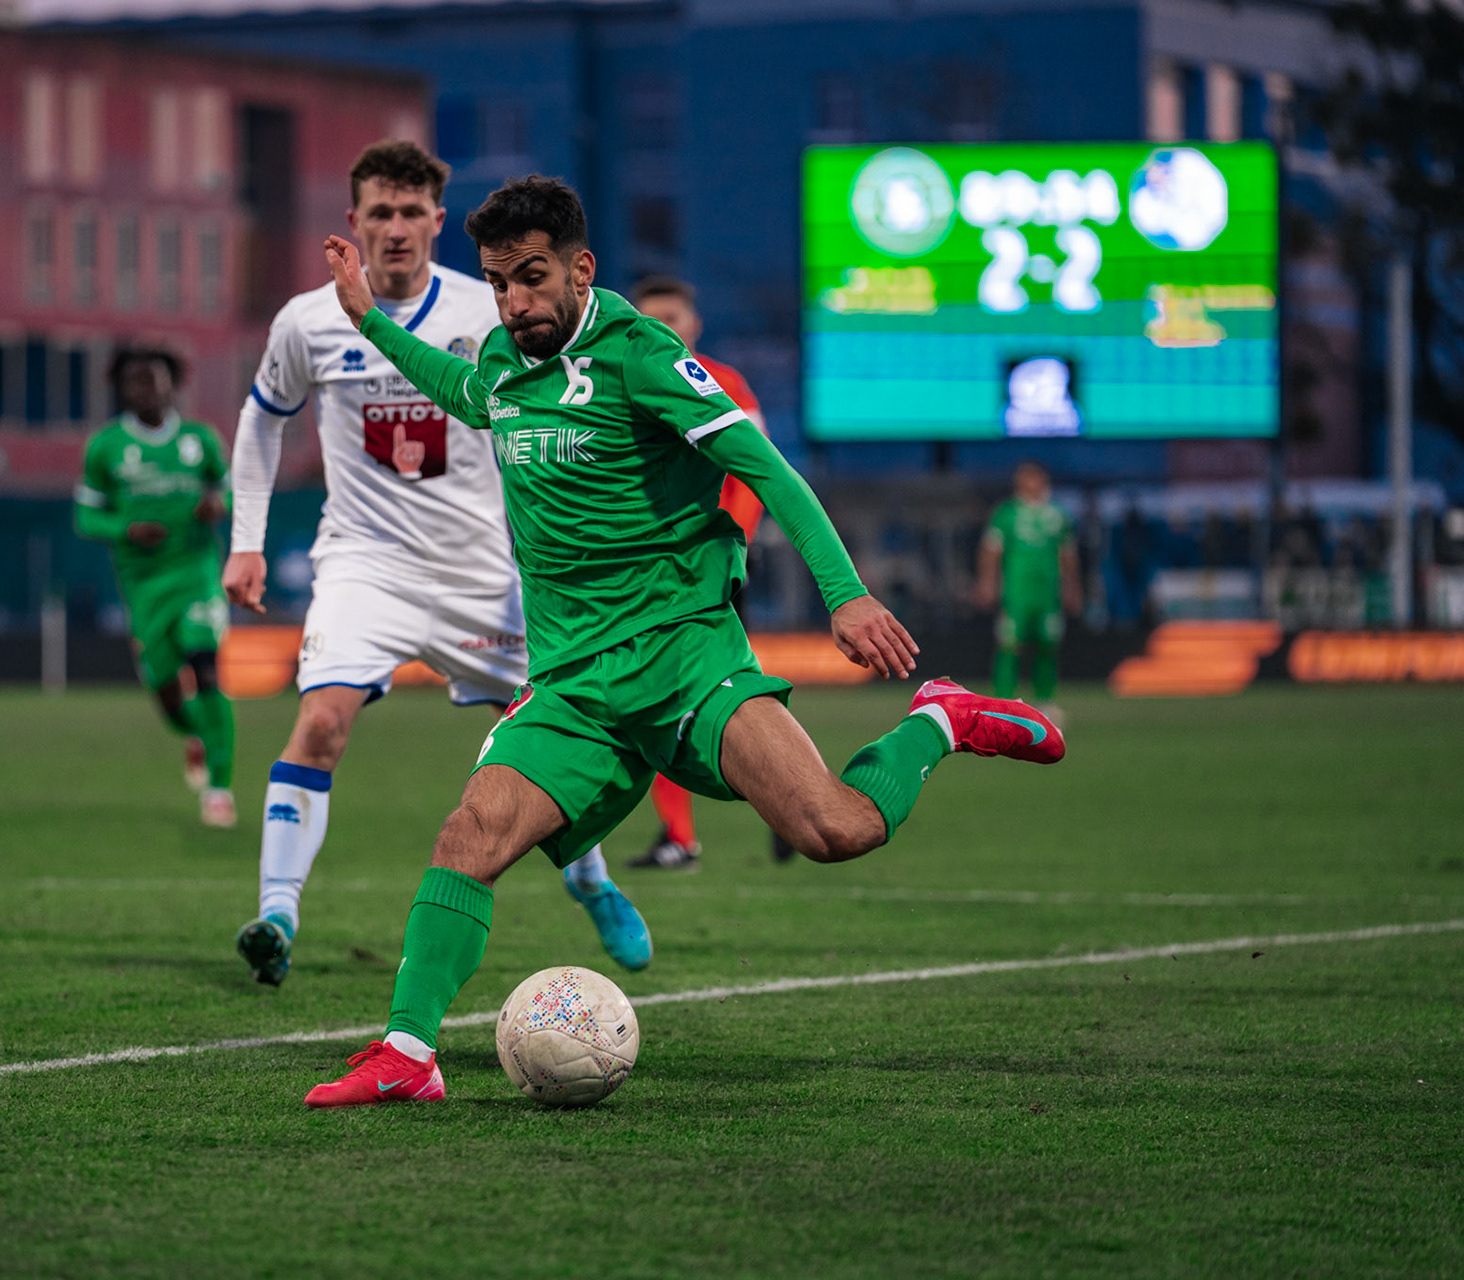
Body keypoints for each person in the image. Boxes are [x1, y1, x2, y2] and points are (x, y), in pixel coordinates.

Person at [301, 176, 1065, 1108]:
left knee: (834, 829)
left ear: (580, 268)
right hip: (575, 687)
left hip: (686, 659)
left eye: (532, 277)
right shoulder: (504, 358)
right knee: (469, 834)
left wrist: (848, 594)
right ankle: (408, 1055)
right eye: (499, 282)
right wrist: (370, 320)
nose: (515, 302)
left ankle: (938, 722)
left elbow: (764, 468)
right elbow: (461, 391)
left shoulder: (642, 356)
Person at [222, 141, 649, 987]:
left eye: (412, 212)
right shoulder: (307, 320)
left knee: (552, 738)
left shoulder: (488, 308)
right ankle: (277, 913)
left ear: (436, 223)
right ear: (354, 223)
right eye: (379, 212)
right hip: (364, 566)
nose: (396, 228)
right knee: (321, 720)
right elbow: (262, 418)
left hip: (482, 573)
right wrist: (247, 539)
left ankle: (594, 883)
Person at [625, 275, 768, 872]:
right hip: (651, 572)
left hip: (717, 567)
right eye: (651, 318)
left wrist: (728, 549)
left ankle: (785, 799)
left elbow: (758, 473)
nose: (664, 329)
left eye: (673, 318)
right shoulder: (620, 378)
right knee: (656, 702)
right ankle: (679, 837)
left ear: (694, 325)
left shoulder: (726, 384)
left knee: (742, 700)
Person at [75, 349, 237, 828]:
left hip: (197, 572)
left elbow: (229, 491)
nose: (146, 389)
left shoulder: (199, 439)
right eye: (136, 382)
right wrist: (127, 528)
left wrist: (217, 504)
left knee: (205, 666)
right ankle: (196, 736)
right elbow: (85, 516)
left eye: (155, 380)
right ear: (123, 390)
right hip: (144, 585)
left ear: (174, 385)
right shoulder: (105, 447)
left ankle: (220, 790)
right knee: (166, 693)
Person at [976, 461, 1080, 721]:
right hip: (1016, 594)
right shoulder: (1006, 513)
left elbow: (1067, 554)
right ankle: (1002, 703)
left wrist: (1072, 586)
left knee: (1048, 646)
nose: (1030, 484)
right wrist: (987, 582)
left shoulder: (1057, 514)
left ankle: (1045, 701)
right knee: (1009, 645)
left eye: (1034, 478)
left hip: (1047, 595)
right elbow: (991, 551)